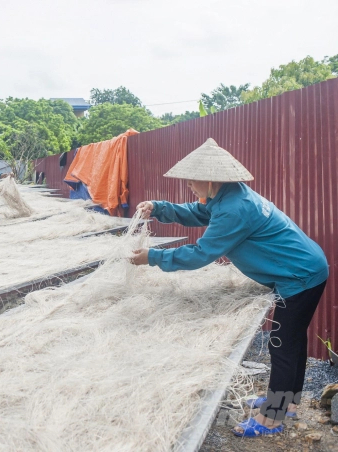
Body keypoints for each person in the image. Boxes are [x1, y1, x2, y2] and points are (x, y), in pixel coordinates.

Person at [129, 138, 328, 438]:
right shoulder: (228, 195)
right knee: (292, 341)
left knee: (283, 344)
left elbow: (200, 254)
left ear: (209, 180)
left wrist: (153, 257)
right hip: (305, 269)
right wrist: (158, 208)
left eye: (191, 182)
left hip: (300, 276)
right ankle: (287, 403)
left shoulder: (236, 207)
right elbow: (198, 213)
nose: (189, 187)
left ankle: (272, 418)